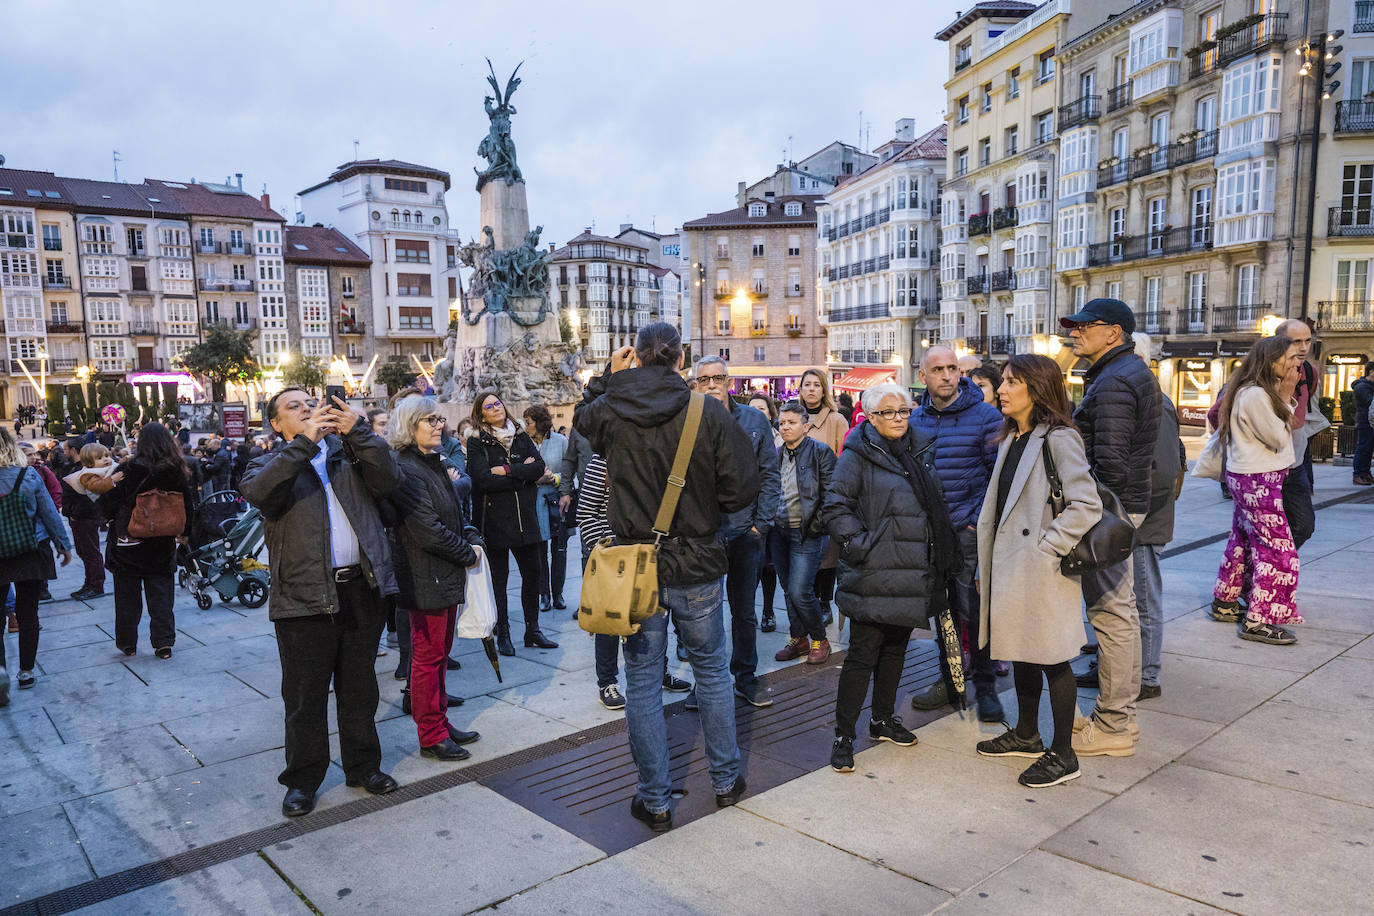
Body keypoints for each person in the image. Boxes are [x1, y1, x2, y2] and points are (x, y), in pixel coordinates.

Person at [573, 323, 759, 832]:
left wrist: (607, 378)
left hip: (637, 566)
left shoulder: (611, 410)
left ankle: (654, 799)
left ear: (637, 359)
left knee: (642, 684)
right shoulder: (707, 411)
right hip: (697, 561)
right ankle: (725, 781)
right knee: (713, 672)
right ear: (681, 359)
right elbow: (742, 487)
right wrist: (705, 508)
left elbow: (581, 421)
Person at [241, 389, 404, 817]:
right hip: (304, 593)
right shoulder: (269, 462)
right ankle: (302, 781)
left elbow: (391, 480)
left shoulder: (347, 453)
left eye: (310, 403)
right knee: (304, 697)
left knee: (360, 688)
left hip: (359, 589)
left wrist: (362, 433)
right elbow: (260, 493)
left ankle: (363, 767)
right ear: (276, 425)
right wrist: (304, 445)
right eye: (293, 407)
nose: (307, 410)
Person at [973, 355, 1104, 788]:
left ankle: (1063, 753)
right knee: (1022, 647)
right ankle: (1027, 734)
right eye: (1003, 382)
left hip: (1040, 567)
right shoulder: (1015, 436)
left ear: (1038, 389)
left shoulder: (1059, 438)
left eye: (1013, 382)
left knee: (1053, 658)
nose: (1002, 389)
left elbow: (1087, 503)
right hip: (1011, 565)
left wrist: (1048, 547)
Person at [823, 383, 962, 773]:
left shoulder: (920, 448)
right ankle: (843, 735)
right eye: (888, 412)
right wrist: (860, 544)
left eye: (903, 410)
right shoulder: (858, 454)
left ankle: (882, 719)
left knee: (896, 650)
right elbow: (835, 505)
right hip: (874, 570)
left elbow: (935, 502)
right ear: (869, 416)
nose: (898, 418)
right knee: (862, 655)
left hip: (914, 570)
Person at [1060, 298, 1160, 759]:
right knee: (1120, 612)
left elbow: (1111, 464)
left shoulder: (1117, 380)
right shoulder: (1120, 373)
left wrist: (1092, 512)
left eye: (1085, 326)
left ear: (1113, 333)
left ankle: (1114, 722)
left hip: (1110, 509)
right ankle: (1120, 719)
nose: (1075, 332)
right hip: (1122, 506)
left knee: (1111, 614)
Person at [908, 346, 1005, 721]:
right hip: (932, 536)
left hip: (968, 532)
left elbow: (998, 477)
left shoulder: (985, 416)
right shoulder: (915, 417)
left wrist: (974, 521)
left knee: (974, 612)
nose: (948, 375)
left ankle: (985, 686)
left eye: (952, 368)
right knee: (943, 614)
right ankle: (949, 681)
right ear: (923, 376)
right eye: (938, 370)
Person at [387, 395, 482, 760]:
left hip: (444, 573)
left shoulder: (431, 462)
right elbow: (427, 529)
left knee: (441, 655)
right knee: (427, 659)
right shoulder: (406, 468)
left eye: (439, 418)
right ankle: (430, 735)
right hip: (425, 575)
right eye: (430, 420)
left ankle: (441, 722)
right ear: (409, 426)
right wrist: (465, 553)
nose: (439, 425)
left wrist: (471, 537)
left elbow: (453, 513)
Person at [694, 356, 780, 708]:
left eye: (717, 378)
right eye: (703, 379)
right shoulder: (687, 422)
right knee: (703, 616)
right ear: (696, 385)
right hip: (703, 536)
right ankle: (708, 686)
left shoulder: (754, 420)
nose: (711, 384)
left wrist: (762, 522)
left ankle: (746, 678)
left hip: (746, 532)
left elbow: (769, 475)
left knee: (743, 612)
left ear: (728, 381)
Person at [1208, 335, 1305, 646]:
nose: (1297, 362)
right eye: (1290, 357)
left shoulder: (1246, 389)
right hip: (1258, 480)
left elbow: (1214, 415)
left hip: (1248, 477)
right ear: (1271, 360)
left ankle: (1226, 602)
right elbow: (1278, 436)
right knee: (1279, 552)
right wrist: (1288, 394)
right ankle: (1259, 620)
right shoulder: (1257, 395)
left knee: (1242, 541)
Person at [466, 391, 558, 656]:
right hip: (494, 520)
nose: (496, 408)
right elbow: (482, 479)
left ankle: (533, 629)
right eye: (489, 406)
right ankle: (503, 631)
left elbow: (539, 467)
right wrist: (523, 476)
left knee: (533, 573)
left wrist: (506, 471)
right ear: (481, 413)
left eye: (498, 403)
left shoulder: (519, 435)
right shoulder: (477, 441)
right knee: (499, 580)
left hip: (525, 518)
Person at [96, 423, 194, 660]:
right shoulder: (177, 470)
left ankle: (128, 643)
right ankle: (163, 644)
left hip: (129, 541)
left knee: (127, 597)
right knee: (161, 595)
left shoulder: (128, 468)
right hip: (161, 542)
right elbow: (188, 504)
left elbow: (107, 503)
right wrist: (186, 532)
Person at [0, 428, 73, 702]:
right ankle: (27, 671)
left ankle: (0, 673)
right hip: (30, 549)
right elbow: (49, 513)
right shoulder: (28, 475)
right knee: (28, 613)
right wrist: (63, 545)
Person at [1131, 334, 1185, 701]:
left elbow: (1165, 471)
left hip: (1143, 522)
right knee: (1129, 601)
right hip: (1136, 519)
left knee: (1144, 599)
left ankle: (1148, 676)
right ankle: (1126, 667)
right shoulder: (1136, 396)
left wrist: (1132, 515)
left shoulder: (1153, 401)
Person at [770, 401, 836, 666]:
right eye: (782, 423)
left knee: (801, 591)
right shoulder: (776, 454)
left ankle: (821, 639)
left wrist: (818, 525)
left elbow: (832, 494)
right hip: (778, 531)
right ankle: (799, 639)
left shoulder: (820, 452)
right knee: (788, 590)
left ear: (805, 427)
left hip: (807, 531)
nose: (785, 427)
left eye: (791, 422)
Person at [797, 368, 847, 623]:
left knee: (828, 554)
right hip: (797, 499)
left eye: (817, 385)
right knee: (805, 554)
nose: (812, 389)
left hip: (827, 497)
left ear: (824, 389)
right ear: (801, 389)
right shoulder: (794, 417)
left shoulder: (836, 420)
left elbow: (844, 458)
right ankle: (808, 600)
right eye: (807, 384)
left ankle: (825, 601)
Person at [1274, 319, 1321, 545]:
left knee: (1303, 525)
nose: (1303, 347)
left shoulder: (1309, 372)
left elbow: (1302, 411)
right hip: (1263, 468)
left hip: (1295, 463)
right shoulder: (1260, 373)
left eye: (1307, 341)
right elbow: (1218, 415)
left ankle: (1274, 568)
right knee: (1262, 531)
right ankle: (1262, 574)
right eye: (1297, 341)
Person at [523, 405, 569, 613]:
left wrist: (556, 478)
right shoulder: (523, 443)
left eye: (529, 423)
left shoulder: (561, 441)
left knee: (559, 549)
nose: (526, 427)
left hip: (557, 500)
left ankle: (558, 592)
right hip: (534, 501)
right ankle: (544, 594)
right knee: (539, 551)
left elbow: (570, 471)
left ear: (540, 422)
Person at [746, 392, 781, 632]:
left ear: (770, 414)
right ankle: (748, 612)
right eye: (752, 408)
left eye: (762, 408)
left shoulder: (780, 440)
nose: (757, 412)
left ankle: (768, 610)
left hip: (771, 513)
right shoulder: (741, 435)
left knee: (769, 567)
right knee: (750, 570)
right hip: (748, 514)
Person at [63, 441, 110, 599]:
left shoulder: (92, 474)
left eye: (106, 456)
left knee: (91, 552)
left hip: (86, 517)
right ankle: (89, 582)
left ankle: (96, 585)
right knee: (84, 551)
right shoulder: (82, 471)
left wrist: (73, 511)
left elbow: (89, 498)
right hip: (79, 517)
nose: (105, 459)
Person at [1351, 360, 1373, 486]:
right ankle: (1358, 474)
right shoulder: (1362, 386)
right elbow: (1370, 402)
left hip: (1370, 421)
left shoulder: (1370, 385)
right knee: (1363, 447)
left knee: (1368, 448)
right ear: (1371, 371)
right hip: (1365, 420)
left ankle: (1365, 473)